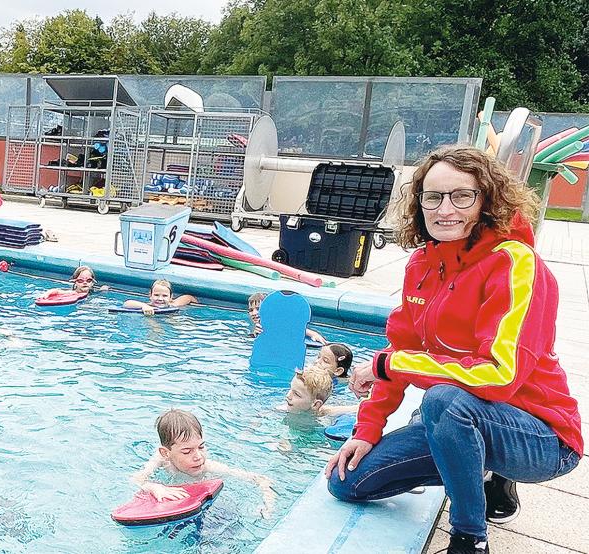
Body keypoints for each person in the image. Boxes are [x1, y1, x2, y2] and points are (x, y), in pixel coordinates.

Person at [325, 146, 582, 554]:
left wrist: (390, 366)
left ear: (487, 200)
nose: (445, 209)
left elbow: (499, 375)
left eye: (462, 196)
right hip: (463, 414)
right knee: (348, 482)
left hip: (541, 437)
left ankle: (469, 537)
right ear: (419, 203)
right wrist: (367, 429)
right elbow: (402, 348)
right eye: (433, 197)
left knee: (445, 401)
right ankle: (472, 458)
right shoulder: (421, 265)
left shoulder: (516, 264)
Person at [130, 409, 276, 518]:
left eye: (201, 447)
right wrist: (155, 487)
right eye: (187, 451)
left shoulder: (208, 467)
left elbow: (261, 479)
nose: (198, 457)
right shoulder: (161, 460)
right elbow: (136, 479)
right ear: (166, 453)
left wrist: (268, 506)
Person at [248, 292, 327, 345]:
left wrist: (313, 334)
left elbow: (290, 327)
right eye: (251, 310)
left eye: (258, 309)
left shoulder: (278, 324)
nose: (254, 313)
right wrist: (256, 335)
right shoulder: (255, 330)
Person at [281, 367, 356, 417]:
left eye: (296, 394)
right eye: (290, 389)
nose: (288, 395)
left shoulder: (324, 414)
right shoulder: (281, 410)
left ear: (315, 405)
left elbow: (356, 409)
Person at [123, 279, 196, 315]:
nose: (160, 299)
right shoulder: (148, 306)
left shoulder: (173, 304)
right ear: (150, 296)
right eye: (156, 295)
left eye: (164, 296)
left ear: (171, 297)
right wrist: (144, 306)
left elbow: (188, 297)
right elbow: (127, 303)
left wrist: (196, 304)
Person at [39, 266, 108, 298]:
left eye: (88, 280)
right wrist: (46, 294)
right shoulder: (73, 293)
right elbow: (56, 291)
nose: (85, 283)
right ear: (75, 282)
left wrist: (102, 289)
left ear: (93, 282)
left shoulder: (93, 293)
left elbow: (100, 291)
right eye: (80, 280)